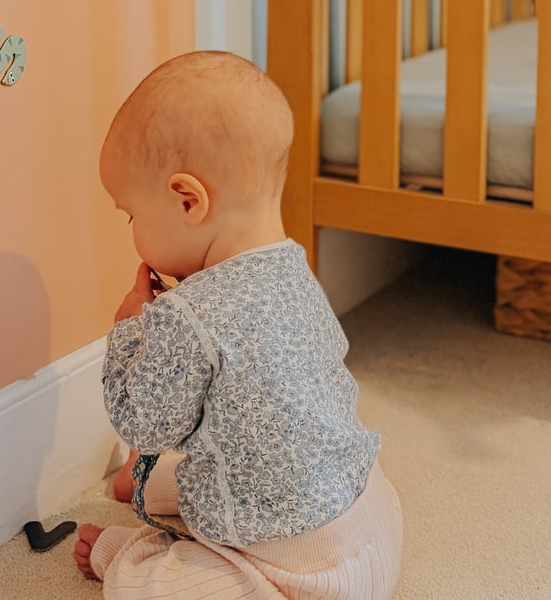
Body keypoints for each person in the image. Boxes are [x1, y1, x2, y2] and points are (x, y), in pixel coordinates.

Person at [76, 51, 402, 596]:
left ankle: (130, 551)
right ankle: (146, 482)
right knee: (234, 456)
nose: (132, 229)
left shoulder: (188, 314)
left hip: (298, 572)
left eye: (131, 214)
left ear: (188, 201)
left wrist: (130, 332)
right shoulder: (293, 270)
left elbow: (144, 426)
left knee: (144, 589)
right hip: (368, 521)